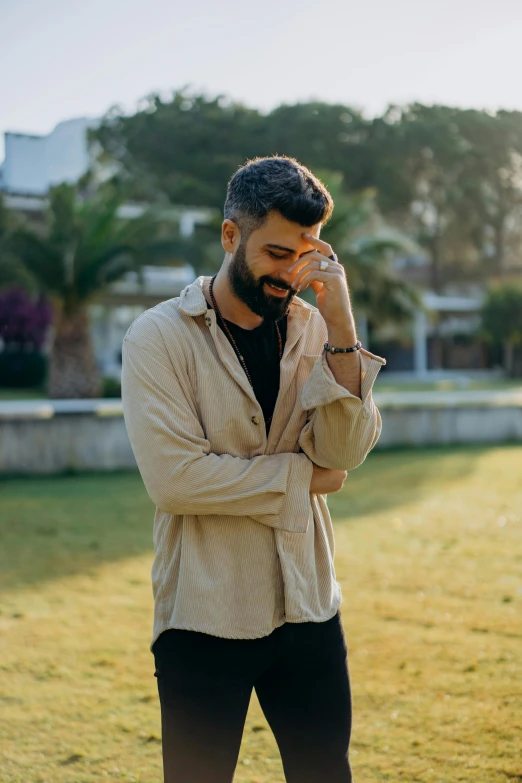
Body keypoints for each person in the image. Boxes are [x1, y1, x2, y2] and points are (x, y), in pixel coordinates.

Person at [121, 155, 386, 783]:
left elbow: (344, 454)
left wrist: (342, 318)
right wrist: (303, 480)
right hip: (205, 613)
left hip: (310, 605)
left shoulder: (316, 326)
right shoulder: (157, 337)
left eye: (305, 255)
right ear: (229, 236)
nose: (289, 275)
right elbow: (176, 480)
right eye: (274, 253)